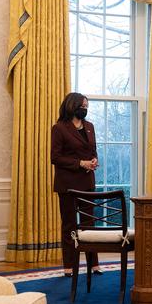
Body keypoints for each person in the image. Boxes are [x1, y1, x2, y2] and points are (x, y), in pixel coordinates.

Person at [51, 93, 102, 277]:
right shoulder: (59, 128)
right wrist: (81, 163)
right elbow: (55, 157)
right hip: (68, 185)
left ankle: (94, 265)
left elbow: (92, 150)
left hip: (87, 182)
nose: (85, 109)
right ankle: (69, 266)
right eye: (83, 106)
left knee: (90, 225)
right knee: (70, 225)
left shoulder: (89, 127)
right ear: (73, 106)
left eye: (87, 106)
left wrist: (94, 160)